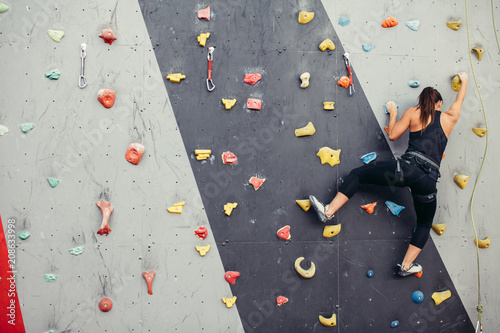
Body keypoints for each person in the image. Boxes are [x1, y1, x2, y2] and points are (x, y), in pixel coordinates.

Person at [309, 72, 468, 277]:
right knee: (425, 223)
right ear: (440, 104)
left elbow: (393, 135)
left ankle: (329, 211)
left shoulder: (413, 112)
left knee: (358, 174)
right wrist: (464, 80)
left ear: (421, 102)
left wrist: (393, 113)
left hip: (404, 172)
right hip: (428, 182)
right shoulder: (448, 118)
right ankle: (406, 266)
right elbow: (460, 99)